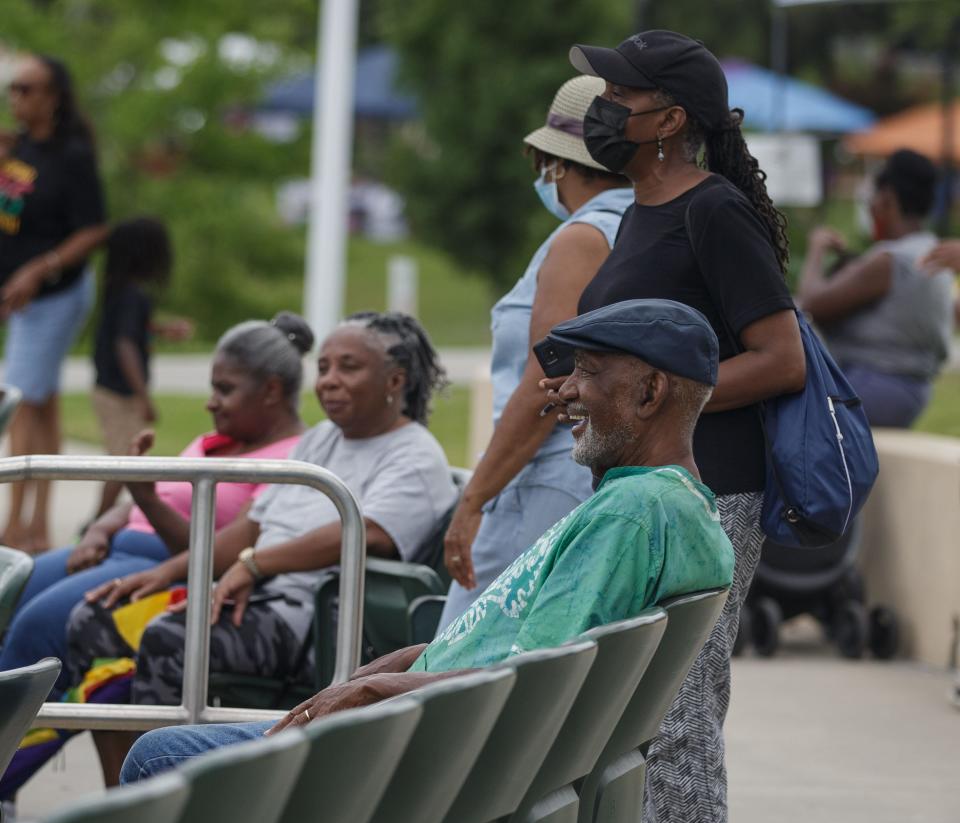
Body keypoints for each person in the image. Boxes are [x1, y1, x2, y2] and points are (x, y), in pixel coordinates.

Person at [118, 298, 735, 786]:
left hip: (432, 758)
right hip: (430, 729)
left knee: (159, 756)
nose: (564, 390)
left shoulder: (633, 513)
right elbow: (520, 651)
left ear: (650, 392)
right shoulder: (658, 502)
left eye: (587, 374)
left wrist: (372, 691)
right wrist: (398, 663)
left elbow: (531, 684)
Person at [567, 31, 806, 823]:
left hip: (710, 494)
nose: (598, 112)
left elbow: (781, 359)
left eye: (615, 99)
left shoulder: (712, 210)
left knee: (675, 715)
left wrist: (660, 401)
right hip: (641, 492)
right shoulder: (642, 212)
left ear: (667, 120)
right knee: (629, 710)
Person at [64, 311, 458, 784]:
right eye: (324, 367)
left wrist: (255, 567)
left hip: (310, 623)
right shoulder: (321, 440)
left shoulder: (414, 455)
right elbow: (252, 527)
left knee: (170, 639)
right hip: (247, 598)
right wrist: (169, 573)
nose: (329, 381)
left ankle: (168, 801)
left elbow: (367, 532)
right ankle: (120, 799)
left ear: (395, 379)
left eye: (348, 367)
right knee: (95, 621)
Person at [0, 313, 311, 692]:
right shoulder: (218, 439)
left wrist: (145, 498)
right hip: (113, 548)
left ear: (272, 391)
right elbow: (152, 494)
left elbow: (215, 553)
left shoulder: (289, 459)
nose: (211, 404)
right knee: (6, 592)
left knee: (37, 628)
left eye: (224, 390)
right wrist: (98, 530)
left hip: (160, 565)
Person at [439, 75, 633, 628]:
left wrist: (474, 498)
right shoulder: (648, 226)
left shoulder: (582, 238)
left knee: (460, 665)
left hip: (547, 477)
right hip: (598, 472)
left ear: (561, 164)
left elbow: (547, 383)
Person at [0, 54, 109, 553]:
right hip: (23, 300)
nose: (17, 98)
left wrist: (37, 269)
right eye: (13, 89)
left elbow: (94, 228)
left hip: (55, 294)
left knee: (18, 399)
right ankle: (36, 526)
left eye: (27, 89)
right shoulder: (20, 148)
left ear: (53, 95)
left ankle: (18, 524)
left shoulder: (72, 154)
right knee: (40, 405)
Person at [799, 150, 954, 427]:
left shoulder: (891, 259)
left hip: (873, 387)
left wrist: (817, 248)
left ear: (887, 198)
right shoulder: (931, 248)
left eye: (871, 195)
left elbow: (812, 304)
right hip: (907, 390)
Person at [92, 217, 194, 516]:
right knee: (125, 463)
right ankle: (94, 525)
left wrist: (161, 330)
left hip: (108, 388)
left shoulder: (117, 288)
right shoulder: (133, 295)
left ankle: (100, 520)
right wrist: (143, 396)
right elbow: (125, 345)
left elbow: (132, 330)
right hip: (119, 395)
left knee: (126, 461)